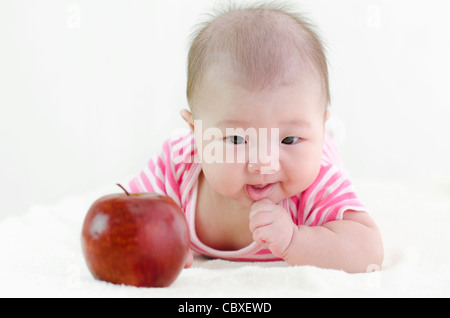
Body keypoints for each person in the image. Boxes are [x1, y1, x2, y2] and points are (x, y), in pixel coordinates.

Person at [128, 2, 383, 273]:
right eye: (237, 140)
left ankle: (329, 136)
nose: (264, 163)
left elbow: (368, 253)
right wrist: (160, 245)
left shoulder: (316, 182)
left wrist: (295, 240)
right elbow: (131, 213)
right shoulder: (178, 165)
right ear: (195, 132)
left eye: (288, 140)